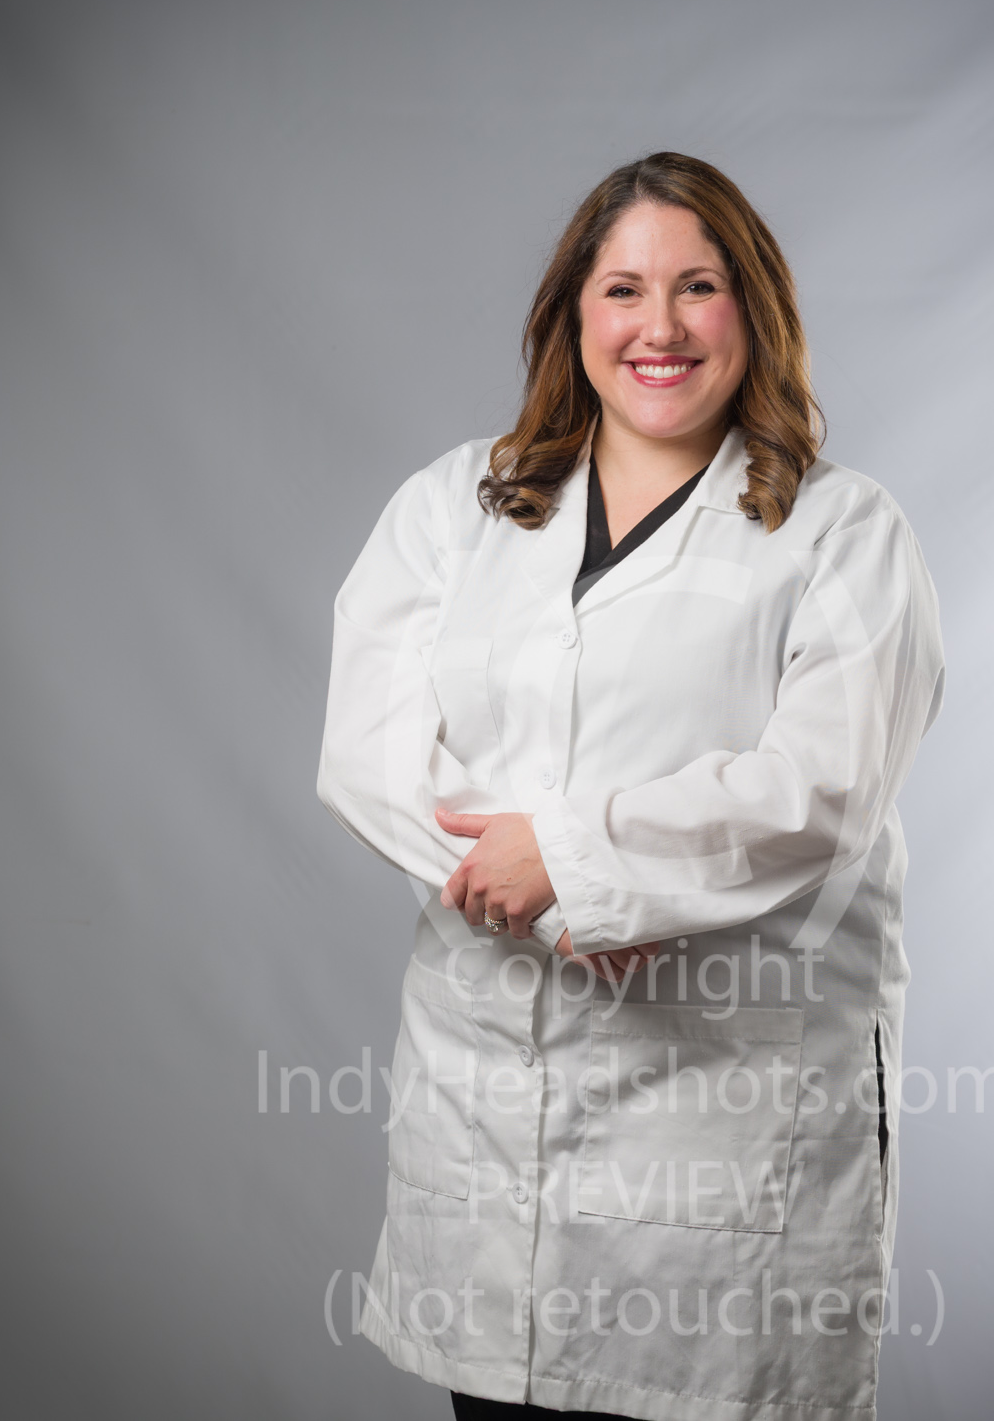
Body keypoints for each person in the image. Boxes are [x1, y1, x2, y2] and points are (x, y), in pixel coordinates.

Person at [317, 151, 945, 1421]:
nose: (660, 327)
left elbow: (823, 788)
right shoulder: (456, 508)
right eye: (623, 290)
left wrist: (579, 862)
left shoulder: (844, 533)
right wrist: (557, 896)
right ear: (573, 315)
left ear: (753, 310)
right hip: (490, 1111)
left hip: (721, 1112)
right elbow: (370, 754)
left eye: (698, 286)